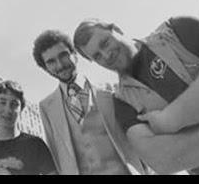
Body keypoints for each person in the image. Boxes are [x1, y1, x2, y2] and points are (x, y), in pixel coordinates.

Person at [73, 15, 199, 175]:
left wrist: (169, 119)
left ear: (116, 29)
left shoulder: (175, 31)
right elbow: (162, 159)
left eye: (105, 43)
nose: (106, 55)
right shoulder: (122, 102)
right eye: (97, 56)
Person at [32, 30, 147, 175]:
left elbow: (139, 136)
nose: (60, 65)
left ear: (75, 54)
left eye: (63, 55)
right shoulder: (46, 107)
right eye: (51, 62)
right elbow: (56, 155)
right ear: (45, 68)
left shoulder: (110, 89)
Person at [0, 80, 57, 175]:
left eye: (14, 104)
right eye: (2, 102)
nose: (8, 109)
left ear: (21, 110)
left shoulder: (35, 144)